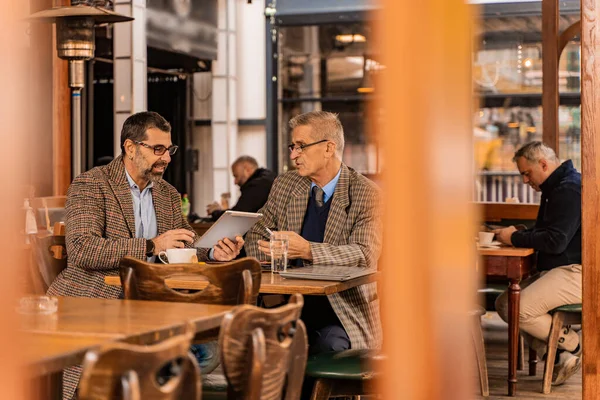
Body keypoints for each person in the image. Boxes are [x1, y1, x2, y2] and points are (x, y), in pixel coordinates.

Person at [47, 111, 244, 400]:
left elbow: (187, 242)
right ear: (130, 147)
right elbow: (82, 249)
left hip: (152, 308)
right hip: (93, 303)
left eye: (169, 149)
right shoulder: (91, 185)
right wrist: (151, 246)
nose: (166, 158)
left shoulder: (167, 194)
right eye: (158, 149)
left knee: (208, 351)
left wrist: (215, 250)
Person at [245, 111, 383, 355]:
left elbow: (364, 255)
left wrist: (308, 250)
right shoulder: (286, 184)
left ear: (329, 148)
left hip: (342, 313)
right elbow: (256, 233)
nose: (293, 155)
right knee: (248, 344)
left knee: (321, 348)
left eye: (301, 146)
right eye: (292, 146)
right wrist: (273, 255)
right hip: (286, 306)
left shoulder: (366, 193)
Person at [493, 141, 582, 386]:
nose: (524, 181)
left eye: (526, 173)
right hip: (561, 270)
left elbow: (555, 241)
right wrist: (521, 232)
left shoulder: (569, 189)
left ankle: (573, 344)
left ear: (543, 164)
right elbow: (552, 232)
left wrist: (514, 237)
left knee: (517, 308)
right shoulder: (557, 188)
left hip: (578, 272)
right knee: (504, 304)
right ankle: (558, 358)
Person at [206, 155, 276, 220]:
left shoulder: (258, 185)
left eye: (236, 176)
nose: (235, 182)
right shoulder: (268, 178)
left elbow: (237, 216)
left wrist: (215, 212)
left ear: (247, 170)